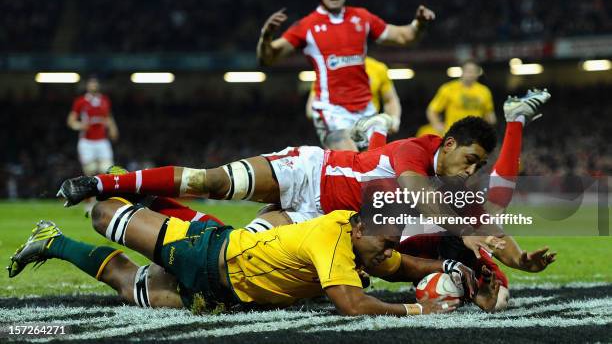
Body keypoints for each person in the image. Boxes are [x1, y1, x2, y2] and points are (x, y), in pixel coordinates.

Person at [57, 89, 554, 310]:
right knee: (209, 181)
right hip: (309, 173)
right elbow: (416, 193)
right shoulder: (416, 153)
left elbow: (492, 220)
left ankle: (145, 210)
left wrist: (518, 260)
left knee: (231, 262)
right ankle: (107, 186)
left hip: (319, 218)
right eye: (467, 159)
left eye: (477, 166)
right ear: (446, 145)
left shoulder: (454, 186)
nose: (470, 172)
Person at [7, 200, 501, 315]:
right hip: (205, 252)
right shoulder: (334, 233)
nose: (388, 253)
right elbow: (351, 304)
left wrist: (452, 269)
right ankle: (139, 189)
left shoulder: (365, 247)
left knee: (127, 285)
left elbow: (405, 267)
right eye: (385, 243)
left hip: (222, 293)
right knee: (102, 213)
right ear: (359, 225)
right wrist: (418, 308)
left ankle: (51, 241)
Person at [257, 0, 434, 151]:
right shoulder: (306, 26)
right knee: (351, 161)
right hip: (331, 111)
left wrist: (419, 24)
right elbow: (267, 58)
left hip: (367, 110)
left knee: (374, 170)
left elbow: (404, 36)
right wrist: (266, 37)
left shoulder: (362, 17)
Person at [306, 56, 402, 151]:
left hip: (368, 130)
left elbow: (390, 100)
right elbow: (311, 108)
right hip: (338, 130)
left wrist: (393, 119)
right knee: (351, 161)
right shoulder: (328, 67)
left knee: (369, 164)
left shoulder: (377, 68)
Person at [67, 76, 119, 216]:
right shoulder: (81, 101)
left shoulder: (104, 100)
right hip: (87, 141)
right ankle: (89, 204)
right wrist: (79, 125)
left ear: (98, 86)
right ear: (87, 86)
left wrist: (113, 128)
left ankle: (106, 203)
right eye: (91, 84)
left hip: (102, 140)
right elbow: (71, 120)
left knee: (107, 171)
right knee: (89, 172)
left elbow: (108, 117)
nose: (93, 86)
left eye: (95, 84)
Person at [426, 61, 496, 135]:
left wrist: (491, 122)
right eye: (468, 71)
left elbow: (489, 113)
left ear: (478, 73)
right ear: (462, 71)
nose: (471, 74)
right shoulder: (448, 88)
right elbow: (432, 110)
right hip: (454, 134)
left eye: (474, 71)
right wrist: (437, 125)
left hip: (476, 135)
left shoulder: (484, 91)